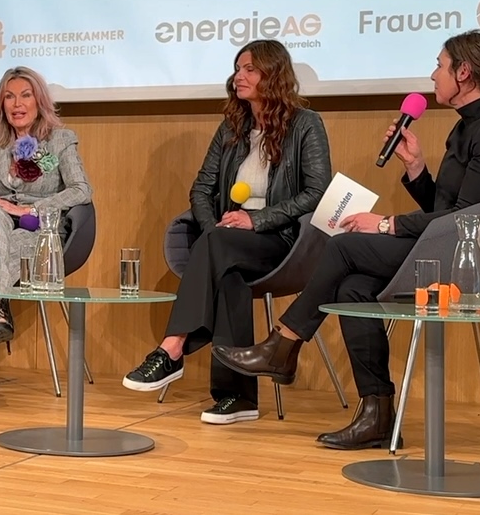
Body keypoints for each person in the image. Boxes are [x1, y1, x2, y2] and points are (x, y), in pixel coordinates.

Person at [214, 29, 480, 449]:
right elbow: (446, 209)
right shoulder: (470, 126)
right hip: (454, 246)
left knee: (345, 246)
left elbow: (465, 219)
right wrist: (416, 169)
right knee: (354, 287)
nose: (432, 76)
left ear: (464, 73)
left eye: (440, 67)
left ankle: (285, 343)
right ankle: (376, 415)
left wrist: (387, 224)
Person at [122, 40, 332, 424]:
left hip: (282, 240)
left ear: (274, 73)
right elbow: (201, 188)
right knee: (228, 273)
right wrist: (212, 229)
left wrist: (257, 220)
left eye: (250, 68)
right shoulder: (231, 126)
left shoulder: (306, 123)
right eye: (238, 68)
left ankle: (173, 347)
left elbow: (317, 192)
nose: (240, 76)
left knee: (222, 251)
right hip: (228, 239)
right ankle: (239, 398)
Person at [0, 66, 93, 397]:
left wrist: (34, 209)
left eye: (25, 95)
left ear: (39, 101)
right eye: (9, 97)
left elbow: (82, 190)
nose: (17, 104)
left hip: (38, 230)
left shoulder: (60, 141)